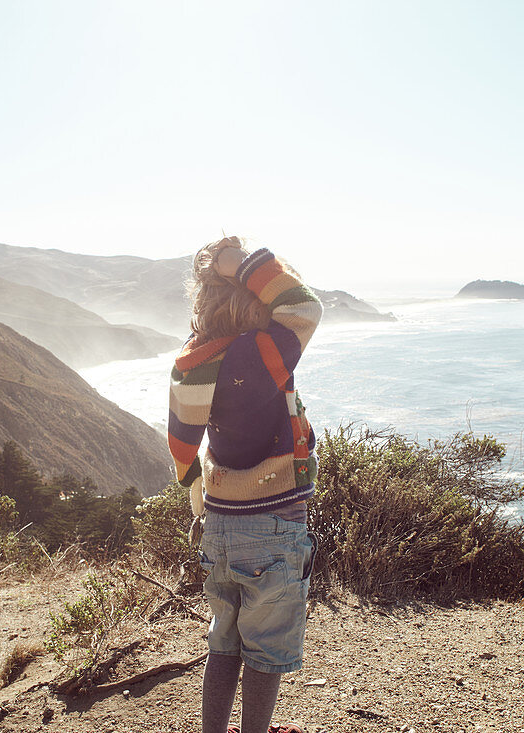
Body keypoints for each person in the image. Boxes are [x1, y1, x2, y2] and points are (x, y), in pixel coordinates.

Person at [168, 236, 322, 733]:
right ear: (254, 300)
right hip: (273, 526)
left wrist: (200, 505)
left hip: (219, 523)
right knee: (264, 651)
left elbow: (182, 450)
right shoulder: (260, 354)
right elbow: (302, 305)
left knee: (224, 641)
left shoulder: (193, 363)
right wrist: (240, 264)